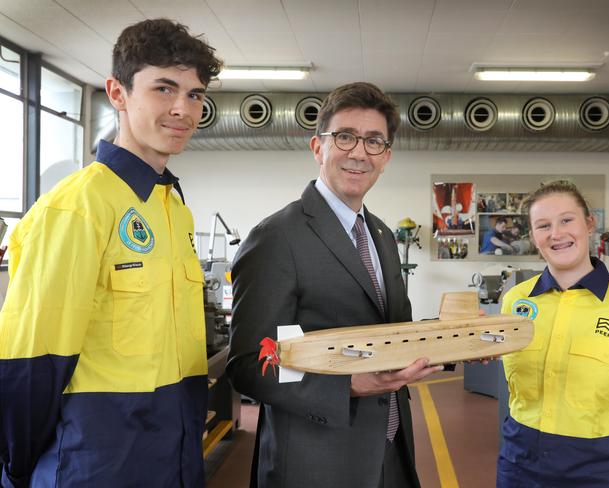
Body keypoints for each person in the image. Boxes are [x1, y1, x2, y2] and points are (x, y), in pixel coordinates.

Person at [0, 19, 222, 487]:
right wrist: (18, 470)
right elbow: (30, 364)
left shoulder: (173, 208)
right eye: (164, 88)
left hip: (174, 455)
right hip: (97, 462)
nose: (183, 109)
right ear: (117, 93)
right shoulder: (76, 207)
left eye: (195, 94)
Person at [227, 82, 441, 488]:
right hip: (315, 463)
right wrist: (347, 386)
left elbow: (394, 331)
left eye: (374, 141)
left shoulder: (381, 235)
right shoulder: (276, 237)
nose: (360, 152)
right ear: (317, 147)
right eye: (345, 137)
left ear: (386, 156)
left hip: (391, 450)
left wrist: (459, 343)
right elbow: (249, 364)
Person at [498, 180, 609, 487]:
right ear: (533, 236)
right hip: (521, 463)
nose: (556, 234)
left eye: (567, 220)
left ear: (589, 223)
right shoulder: (516, 300)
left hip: (608, 469)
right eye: (543, 225)